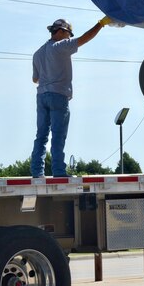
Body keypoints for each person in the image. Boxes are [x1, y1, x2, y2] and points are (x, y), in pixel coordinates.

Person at [31, 17, 109, 177]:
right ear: (60, 32)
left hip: (41, 96)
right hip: (58, 95)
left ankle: (37, 172)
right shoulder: (61, 46)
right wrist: (101, 24)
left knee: (41, 135)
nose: (69, 37)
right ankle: (59, 171)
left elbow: (35, 79)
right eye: (68, 34)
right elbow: (83, 39)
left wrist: (49, 71)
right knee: (58, 135)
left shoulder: (38, 53)